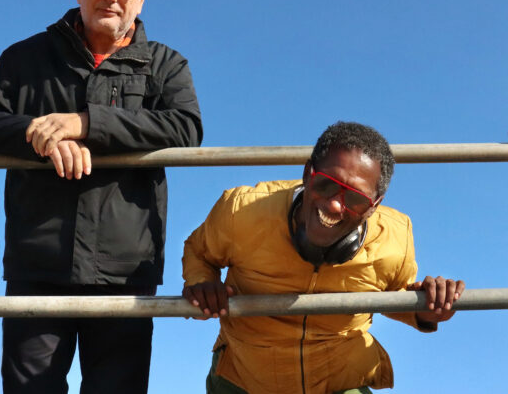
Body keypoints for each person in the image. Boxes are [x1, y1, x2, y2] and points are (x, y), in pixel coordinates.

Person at [0, 0, 202, 392]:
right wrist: (36, 132)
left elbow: (185, 127)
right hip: (38, 266)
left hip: (125, 273)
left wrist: (86, 123)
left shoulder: (167, 65)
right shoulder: (25, 57)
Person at [182, 121, 464, 394]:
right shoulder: (241, 211)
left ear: (374, 206)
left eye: (355, 200)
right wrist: (203, 283)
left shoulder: (395, 239)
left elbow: (396, 296)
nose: (334, 204)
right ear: (308, 173)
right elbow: (198, 251)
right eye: (326, 185)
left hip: (338, 380)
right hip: (243, 377)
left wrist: (430, 308)